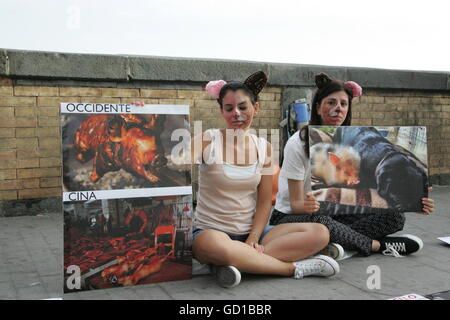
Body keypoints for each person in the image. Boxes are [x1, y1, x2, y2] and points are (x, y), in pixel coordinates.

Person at [190, 71, 340, 288]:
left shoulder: (264, 148)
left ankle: (237, 262)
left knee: (320, 233)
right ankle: (293, 268)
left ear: (255, 108)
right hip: (210, 233)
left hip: (253, 235)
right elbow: (168, 160)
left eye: (243, 107)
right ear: (221, 110)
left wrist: (253, 236)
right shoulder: (206, 140)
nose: (236, 114)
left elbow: (263, 202)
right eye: (229, 108)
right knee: (218, 247)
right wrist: (141, 115)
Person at [270, 73, 435, 258]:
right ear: (317, 107)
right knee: (321, 220)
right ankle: (377, 245)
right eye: (331, 102)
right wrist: (308, 206)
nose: (338, 109)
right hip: (289, 216)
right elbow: (295, 204)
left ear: (348, 109)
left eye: (343, 104)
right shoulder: (297, 143)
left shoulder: (352, 142)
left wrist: (415, 201)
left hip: (332, 215)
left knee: (394, 217)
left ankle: (337, 243)